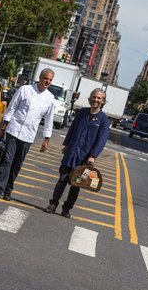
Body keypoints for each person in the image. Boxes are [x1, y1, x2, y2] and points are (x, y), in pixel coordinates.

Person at [0, 69, 57, 201]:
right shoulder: (25, 89)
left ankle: (8, 190)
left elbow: (49, 120)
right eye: (45, 78)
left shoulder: (50, 98)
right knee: (7, 160)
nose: (47, 81)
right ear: (40, 77)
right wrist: (3, 126)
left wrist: (46, 139)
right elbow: (12, 108)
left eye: (50, 80)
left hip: (28, 135)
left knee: (17, 164)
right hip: (14, 129)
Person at [45, 88, 110, 218]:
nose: (95, 100)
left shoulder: (103, 120)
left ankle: (67, 208)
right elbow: (73, 128)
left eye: (98, 98)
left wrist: (93, 156)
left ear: (102, 101)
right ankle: (53, 204)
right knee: (62, 179)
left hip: (85, 157)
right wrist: (67, 144)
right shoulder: (82, 113)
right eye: (94, 97)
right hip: (72, 151)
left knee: (76, 184)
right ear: (90, 98)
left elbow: (101, 140)